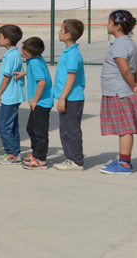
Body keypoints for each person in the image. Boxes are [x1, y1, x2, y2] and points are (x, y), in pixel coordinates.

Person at [99, 10, 137, 175]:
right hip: (123, 91)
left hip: (119, 93)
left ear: (118, 26)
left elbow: (126, 69)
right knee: (124, 128)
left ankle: (124, 164)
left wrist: (134, 86)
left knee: (125, 129)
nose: (107, 25)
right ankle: (123, 161)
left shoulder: (120, 45)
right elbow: (136, 67)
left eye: (109, 22)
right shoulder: (130, 43)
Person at [12, 37, 53, 170]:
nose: (22, 53)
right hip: (38, 102)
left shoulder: (34, 62)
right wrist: (24, 73)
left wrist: (35, 99)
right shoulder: (34, 60)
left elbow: (42, 82)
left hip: (41, 103)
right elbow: (38, 73)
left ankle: (41, 159)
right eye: (23, 49)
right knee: (31, 129)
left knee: (40, 132)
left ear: (34, 54)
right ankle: (35, 154)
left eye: (25, 52)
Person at [53, 19, 86, 171]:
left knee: (71, 130)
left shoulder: (72, 54)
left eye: (61, 30)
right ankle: (71, 157)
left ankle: (76, 161)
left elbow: (71, 78)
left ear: (68, 35)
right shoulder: (68, 52)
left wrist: (62, 98)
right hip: (69, 98)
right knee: (65, 129)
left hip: (71, 98)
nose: (58, 32)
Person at [0, 25, 26, 164]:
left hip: (9, 96)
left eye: (0, 37)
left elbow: (6, 77)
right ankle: (15, 152)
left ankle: (12, 154)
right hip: (15, 95)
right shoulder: (15, 53)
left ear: (7, 40)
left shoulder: (10, 56)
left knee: (3, 127)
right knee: (12, 126)